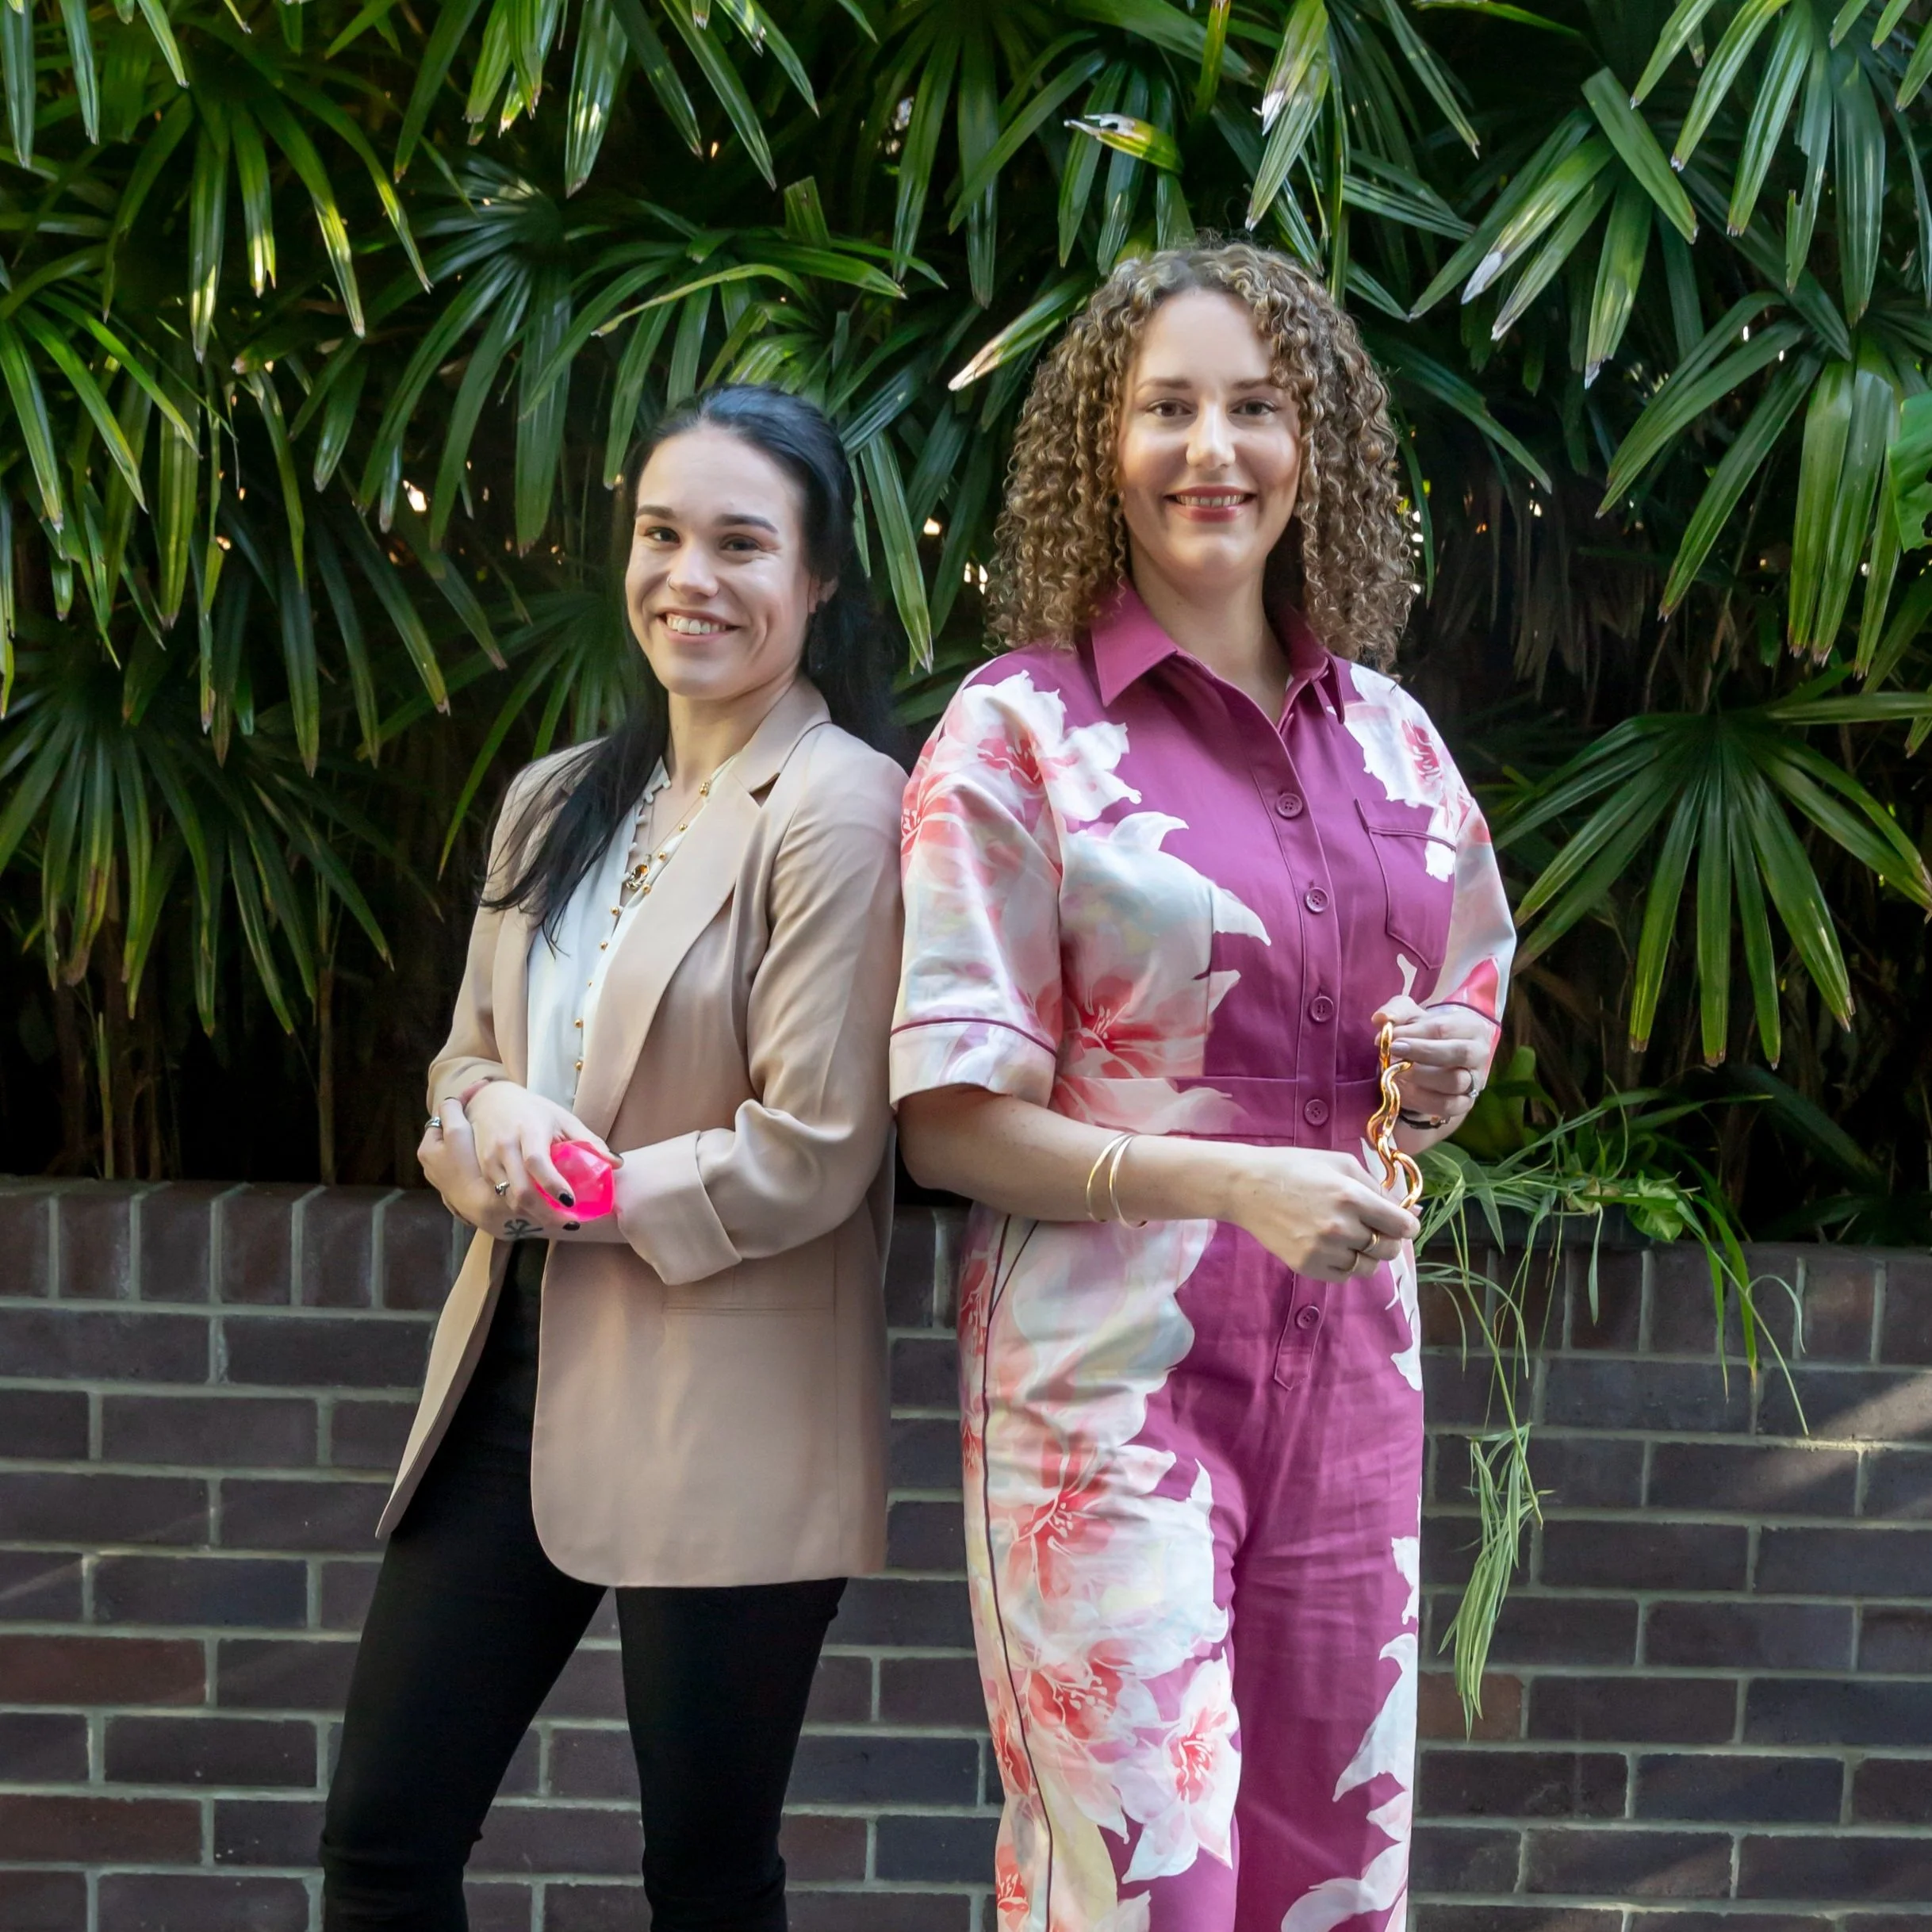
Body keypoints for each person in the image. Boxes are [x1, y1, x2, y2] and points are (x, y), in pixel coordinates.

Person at [893, 243, 1516, 1930]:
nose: (1212, 449)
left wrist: (1449, 1065)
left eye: (1256, 407)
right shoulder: (1017, 735)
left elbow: (1467, 985)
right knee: (1147, 1892)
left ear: (1316, 447)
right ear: (1104, 448)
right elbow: (947, 1119)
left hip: (1356, 1393)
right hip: (1106, 1400)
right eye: (1166, 408)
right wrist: (1229, 1181)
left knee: (1337, 1890)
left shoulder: (1391, 737)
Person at [320, 385, 907, 1932]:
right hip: (505, 1375)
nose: (687, 578)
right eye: (660, 534)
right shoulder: (554, 800)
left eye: (741, 544)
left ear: (818, 578)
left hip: (729, 1395)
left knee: (706, 1882)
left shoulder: (842, 809)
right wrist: (483, 1128)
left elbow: (812, 1150)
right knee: (382, 1841)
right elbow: (466, 1065)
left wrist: (555, 1185)